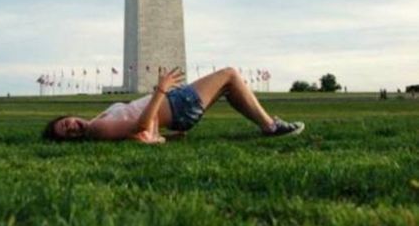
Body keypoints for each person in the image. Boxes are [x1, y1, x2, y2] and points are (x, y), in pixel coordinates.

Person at [42, 66, 305, 144]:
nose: (73, 127)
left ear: (70, 115)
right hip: (177, 104)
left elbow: (135, 130)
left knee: (228, 87)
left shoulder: (98, 122)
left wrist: (167, 136)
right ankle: (270, 126)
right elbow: (140, 124)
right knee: (230, 75)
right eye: (69, 133)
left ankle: (266, 122)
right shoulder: (96, 128)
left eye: (67, 123)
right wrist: (161, 89)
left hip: (178, 110)